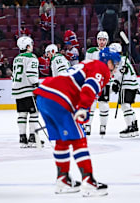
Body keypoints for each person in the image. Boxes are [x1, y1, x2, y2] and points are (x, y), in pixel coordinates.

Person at [33, 47, 120, 196]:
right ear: (108, 61)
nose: (115, 68)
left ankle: (63, 180)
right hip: (60, 98)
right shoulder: (101, 67)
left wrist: (82, 108)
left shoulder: (89, 63)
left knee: (62, 140)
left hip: (44, 95)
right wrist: (84, 107)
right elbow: (90, 86)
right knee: (79, 139)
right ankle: (88, 181)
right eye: (115, 64)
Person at [11, 36, 40, 148]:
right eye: (31, 45)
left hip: (17, 90)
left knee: (22, 114)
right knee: (34, 113)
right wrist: (36, 85)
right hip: (28, 90)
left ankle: (22, 138)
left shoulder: (16, 58)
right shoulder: (32, 57)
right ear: (27, 46)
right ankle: (33, 138)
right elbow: (31, 74)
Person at [110, 43, 139, 138]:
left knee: (125, 106)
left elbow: (119, 74)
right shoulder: (123, 59)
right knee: (128, 106)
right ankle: (134, 126)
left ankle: (130, 127)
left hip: (126, 85)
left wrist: (116, 83)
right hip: (133, 84)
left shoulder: (118, 60)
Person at [84, 31, 110, 136]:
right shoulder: (91, 51)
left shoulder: (110, 52)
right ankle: (88, 125)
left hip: (105, 83)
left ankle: (103, 126)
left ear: (106, 41)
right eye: (100, 39)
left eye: (103, 40)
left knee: (104, 105)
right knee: (91, 104)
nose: (101, 42)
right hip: (93, 82)